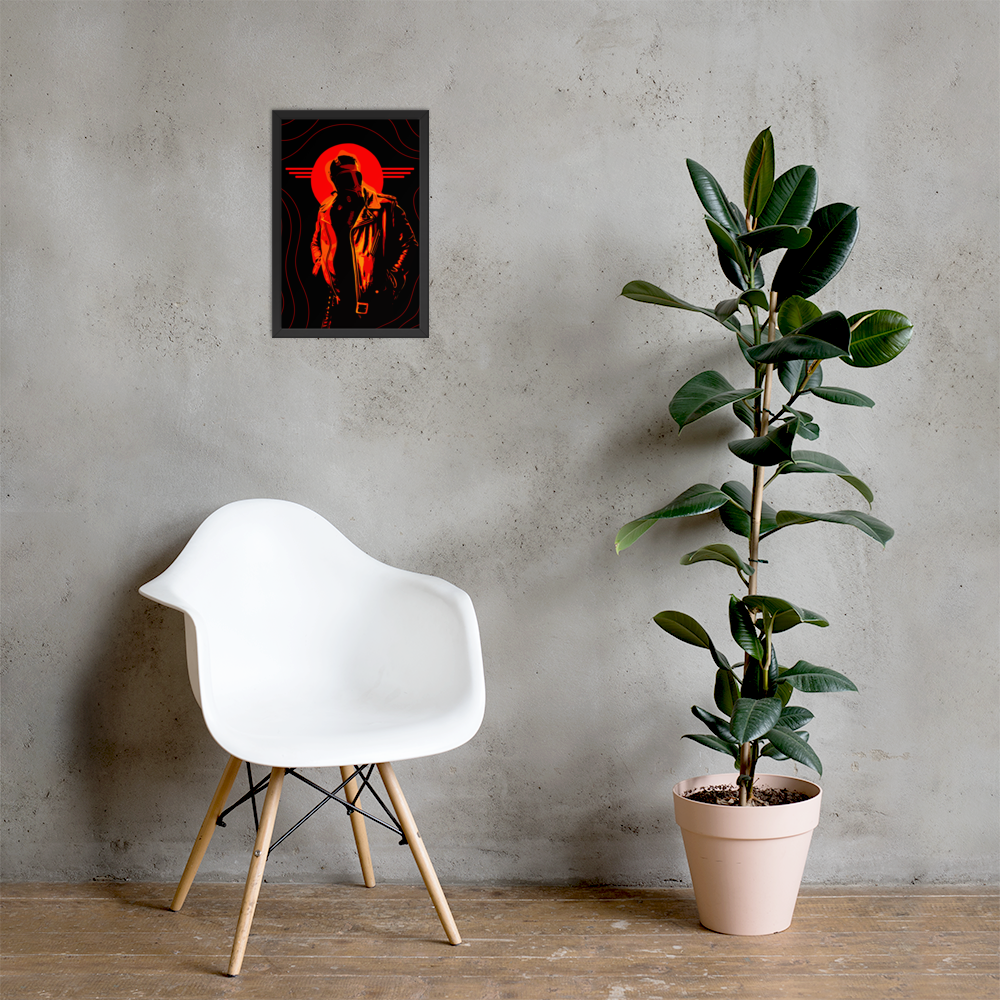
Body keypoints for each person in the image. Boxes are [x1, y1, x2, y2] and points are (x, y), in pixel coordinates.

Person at [311, 154, 418, 328]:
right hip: (337, 303)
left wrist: (393, 278)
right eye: (346, 178)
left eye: (357, 176)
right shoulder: (326, 211)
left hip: (375, 304)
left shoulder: (384, 207)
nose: (353, 182)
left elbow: (409, 244)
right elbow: (316, 242)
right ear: (334, 181)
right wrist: (320, 262)